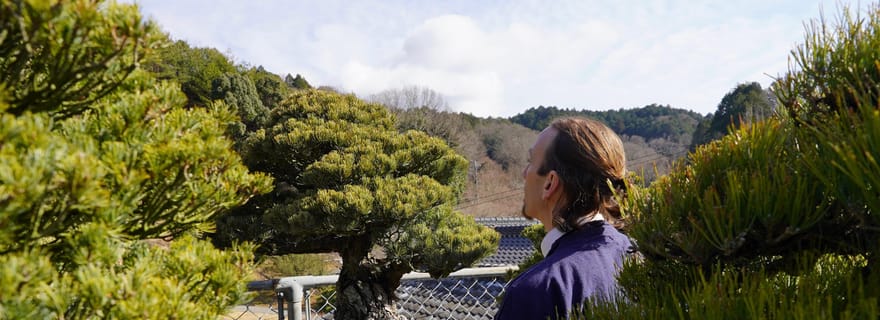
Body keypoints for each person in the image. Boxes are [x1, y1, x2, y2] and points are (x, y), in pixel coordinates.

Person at [494, 117, 634, 320]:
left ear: (550, 183)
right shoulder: (637, 257)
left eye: (530, 162)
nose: (525, 174)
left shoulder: (538, 290)